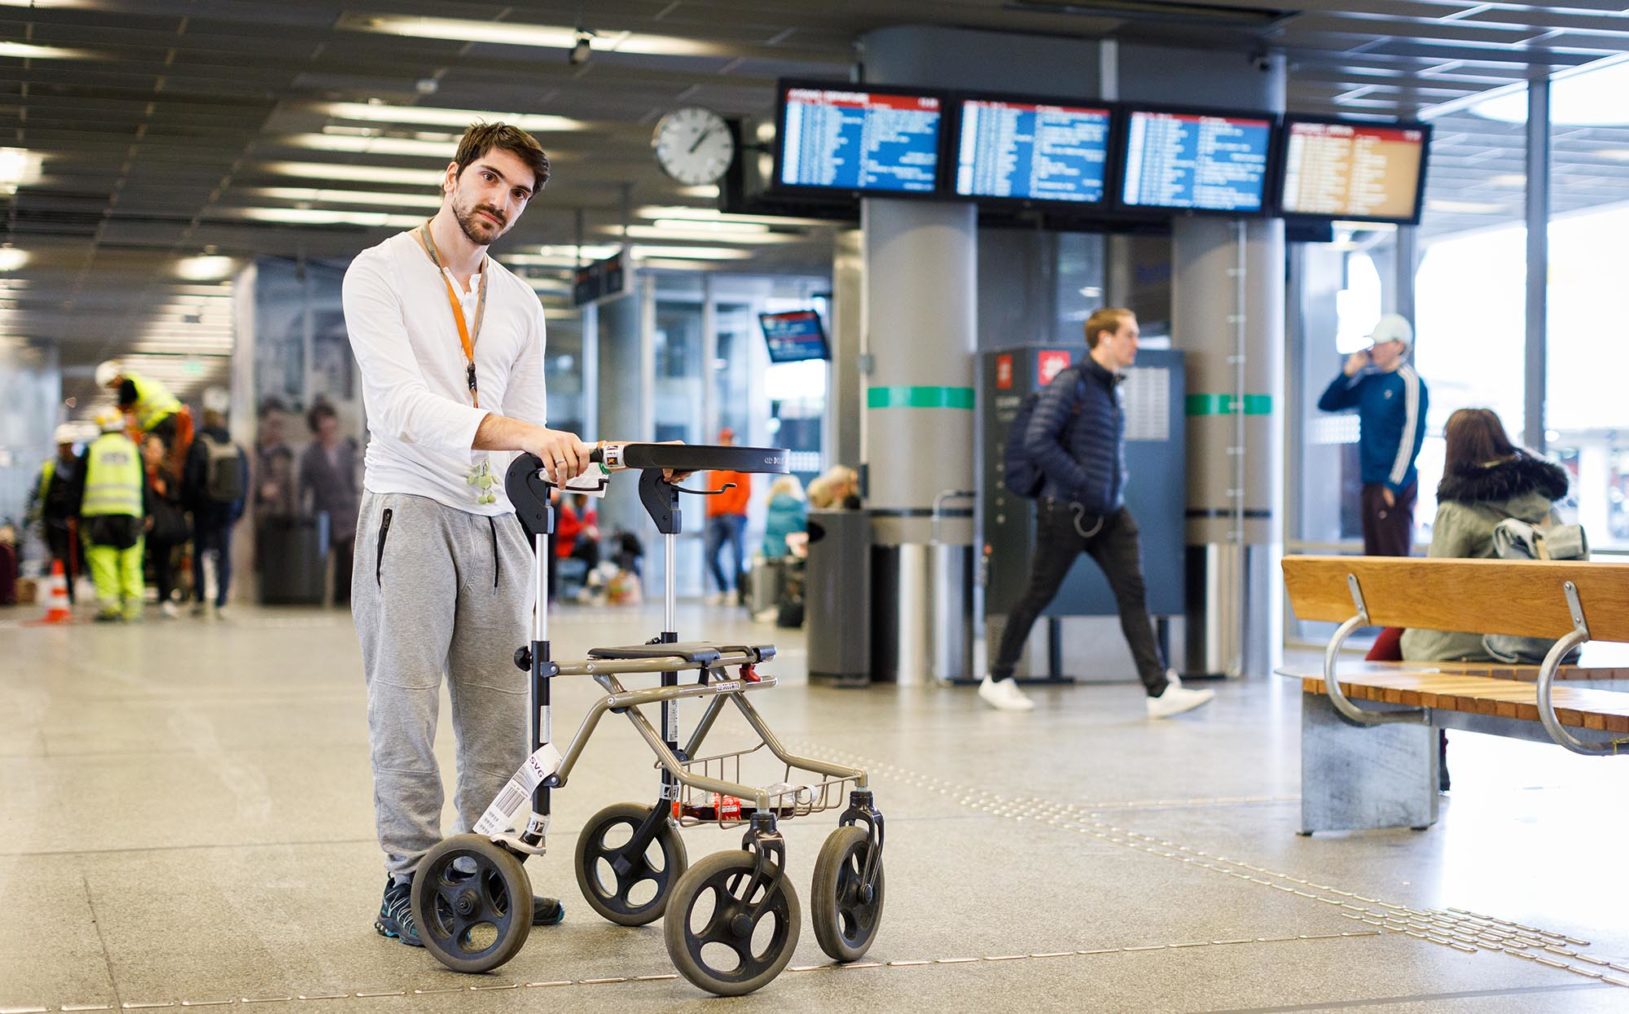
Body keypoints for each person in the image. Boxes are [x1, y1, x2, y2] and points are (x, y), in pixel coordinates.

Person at [343, 120, 591, 949]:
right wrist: (523, 436)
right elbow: (399, 410)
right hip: (408, 508)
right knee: (402, 705)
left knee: (500, 715)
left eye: (518, 193)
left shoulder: (519, 301)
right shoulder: (379, 273)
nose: (501, 202)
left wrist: (551, 466)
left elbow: (531, 419)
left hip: (496, 523)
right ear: (452, 177)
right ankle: (407, 881)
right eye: (489, 180)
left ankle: (487, 872)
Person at [980, 308, 1214, 719]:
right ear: (1104, 338)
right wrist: (1082, 482)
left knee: (1133, 592)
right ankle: (998, 678)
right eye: (1130, 335)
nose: (1136, 343)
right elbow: (1038, 441)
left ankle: (1157, 689)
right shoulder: (1072, 383)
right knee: (1038, 593)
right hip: (1067, 511)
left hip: (1108, 512)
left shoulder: (1109, 389)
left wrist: (1110, 483)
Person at [1397, 408, 1568, 792]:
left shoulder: (1457, 507)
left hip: (1476, 639)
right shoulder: (1543, 500)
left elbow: (1435, 585)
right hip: (1539, 639)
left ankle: (1425, 752)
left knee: (1392, 645)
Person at [1316, 314, 1428, 557]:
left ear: (1398, 345)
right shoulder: (1370, 382)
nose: (1373, 349)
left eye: (1380, 343)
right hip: (1369, 483)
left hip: (1393, 486)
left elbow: (1412, 437)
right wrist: (1349, 372)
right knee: (1373, 559)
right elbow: (1327, 403)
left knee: (1393, 561)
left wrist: (1393, 485)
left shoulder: (1409, 381)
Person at [70, 408, 149, 622]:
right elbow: (144, 484)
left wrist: (74, 514)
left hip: (98, 517)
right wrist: (148, 512)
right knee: (131, 562)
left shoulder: (92, 450)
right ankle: (132, 609)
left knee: (104, 562)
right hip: (130, 515)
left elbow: (78, 486)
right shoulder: (132, 450)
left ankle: (110, 608)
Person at [183, 406, 248, 617]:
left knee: (199, 552)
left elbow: (191, 480)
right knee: (224, 553)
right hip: (228, 508)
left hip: (204, 508)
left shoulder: (199, 445)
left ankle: (201, 598)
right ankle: (221, 601)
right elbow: (245, 482)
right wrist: (239, 509)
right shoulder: (235, 447)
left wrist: (190, 506)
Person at [298, 401, 361, 607]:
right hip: (323, 513)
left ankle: (342, 597)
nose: (327, 424)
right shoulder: (310, 455)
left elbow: (352, 484)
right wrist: (305, 513)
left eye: (329, 419)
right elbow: (303, 488)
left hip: (346, 512)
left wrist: (356, 512)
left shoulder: (345, 451)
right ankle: (320, 594)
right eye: (322, 421)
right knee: (323, 556)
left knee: (347, 557)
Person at [95, 359, 193, 474]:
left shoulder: (127, 384)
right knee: (168, 453)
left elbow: (122, 409)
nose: (113, 388)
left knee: (154, 454)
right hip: (172, 416)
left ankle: (160, 478)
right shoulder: (137, 380)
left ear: (115, 377)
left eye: (111, 385)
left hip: (162, 419)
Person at [26, 425, 82, 602]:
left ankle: (70, 587)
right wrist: (30, 516)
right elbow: (35, 492)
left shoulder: (81, 467)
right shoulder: (50, 468)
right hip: (53, 520)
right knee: (59, 556)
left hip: (75, 520)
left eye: (68, 444)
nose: (65, 448)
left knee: (76, 557)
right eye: (62, 445)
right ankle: (65, 590)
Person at [142, 433, 189, 618]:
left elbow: (178, 499)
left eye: (158, 449)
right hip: (141, 525)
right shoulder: (137, 472)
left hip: (162, 528)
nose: (154, 453)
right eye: (151, 449)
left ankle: (166, 600)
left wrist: (165, 492)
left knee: (163, 564)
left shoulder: (167, 474)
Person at [703, 427, 750, 605]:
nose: (726, 442)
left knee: (738, 555)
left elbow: (745, 491)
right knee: (710, 554)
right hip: (715, 516)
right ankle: (723, 589)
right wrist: (711, 511)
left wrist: (734, 509)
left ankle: (739, 592)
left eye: (729, 439)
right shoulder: (714, 466)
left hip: (735, 516)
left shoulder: (740, 463)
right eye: (723, 439)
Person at [762, 475, 808, 559]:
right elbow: (805, 527)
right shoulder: (797, 505)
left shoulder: (772, 504)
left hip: (770, 551)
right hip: (791, 552)